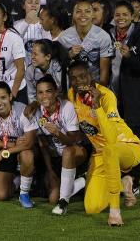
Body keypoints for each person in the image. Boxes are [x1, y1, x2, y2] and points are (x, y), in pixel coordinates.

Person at [67, 61, 140, 226]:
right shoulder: (71, 95)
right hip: (101, 154)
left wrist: (97, 107)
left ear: (91, 76)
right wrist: (36, 103)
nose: (79, 81)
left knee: (110, 149)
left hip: (128, 146)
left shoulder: (106, 95)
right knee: (92, 208)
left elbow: (110, 139)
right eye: (73, 78)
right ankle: (124, 184)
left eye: (83, 76)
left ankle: (115, 212)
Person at [109, 1, 140, 196]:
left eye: (124, 15)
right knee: (117, 142)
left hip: (136, 100)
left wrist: (130, 57)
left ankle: (134, 184)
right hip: (115, 98)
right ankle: (120, 181)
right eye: (117, 15)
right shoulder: (110, 34)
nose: (120, 18)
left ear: (132, 16)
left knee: (134, 142)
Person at [28, 75, 87, 215]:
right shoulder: (37, 112)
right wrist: (50, 170)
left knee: (67, 151)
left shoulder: (67, 107)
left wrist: (58, 133)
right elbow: (43, 144)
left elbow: (73, 140)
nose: (44, 96)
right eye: (40, 92)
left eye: (48, 91)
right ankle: (84, 180)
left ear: (55, 92)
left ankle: (63, 203)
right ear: (36, 95)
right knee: (52, 198)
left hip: (76, 151)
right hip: (55, 158)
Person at [0, 82, 36, 208]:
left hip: (22, 150)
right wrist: (11, 144)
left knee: (27, 155)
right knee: (1, 196)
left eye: (3, 97)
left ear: (10, 96)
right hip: (9, 149)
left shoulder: (22, 111)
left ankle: (24, 193)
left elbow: (29, 143)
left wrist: (4, 152)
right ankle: (18, 181)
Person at [58, 0, 113, 86]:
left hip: (95, 86)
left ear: (92, 15)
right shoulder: (63, 37)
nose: (83, 14)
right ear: (73, 15)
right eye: (79, 11)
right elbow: (58, 66)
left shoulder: (103, 37)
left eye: (87, 11)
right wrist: (69, 55)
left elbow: (104, 71)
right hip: (72, 87)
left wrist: (101, 91)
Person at [0, 3, 28, 104]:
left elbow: (21, 69)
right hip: (1, 89)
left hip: (17, 89)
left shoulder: (14, 38)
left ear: (5, 17)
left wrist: (13, 94)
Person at [14, 0, 52, 65]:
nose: (33, 5)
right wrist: (27, 22)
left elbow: (48, 46)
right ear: (23, 6)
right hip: (21, 67)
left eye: (37, 3)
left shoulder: (45, 24)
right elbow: (12, 44)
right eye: (30, 2)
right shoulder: (16, 25)